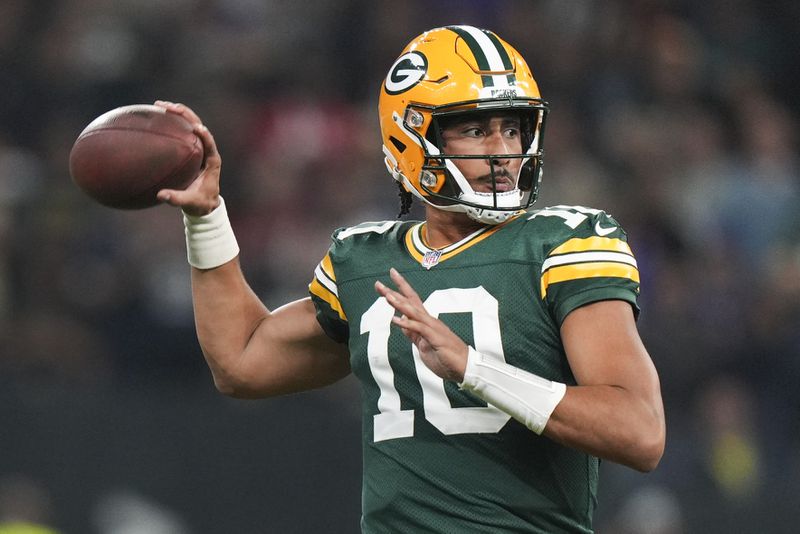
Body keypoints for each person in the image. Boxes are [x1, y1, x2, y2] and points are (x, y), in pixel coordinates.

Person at [155, 25, 665, 533]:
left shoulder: (564, 244)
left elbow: (639, 431)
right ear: (410, 137)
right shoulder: (365, 260)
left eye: (512, 129)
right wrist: (206, 218)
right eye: (474, 129)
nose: (503, 151)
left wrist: (473, 368)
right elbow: (242, 363)